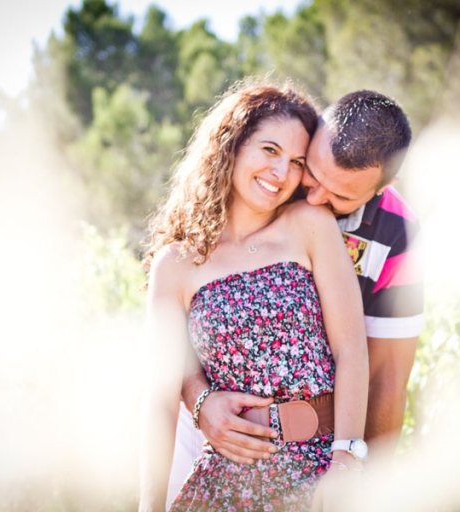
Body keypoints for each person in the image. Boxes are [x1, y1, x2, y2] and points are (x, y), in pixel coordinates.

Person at [139, 79, 369, 512]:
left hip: (321, 470)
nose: (281, 173)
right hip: (227, 482)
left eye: (297, 161)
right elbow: (160, 398)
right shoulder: (175, 264)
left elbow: (351, 348)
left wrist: (345, 460)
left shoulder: (310, 224)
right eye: (269, 150)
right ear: (232, 146)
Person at [177, 90, 423, 481]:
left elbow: (387, 379)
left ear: (382, 186)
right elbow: (179, 314)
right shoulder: (273, 173)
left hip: (318, 446)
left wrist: (365, 480)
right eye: (312, 169)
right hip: (210, 431)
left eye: (340, 195)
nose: (313, 195)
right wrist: (199, 399)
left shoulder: (400, 236)